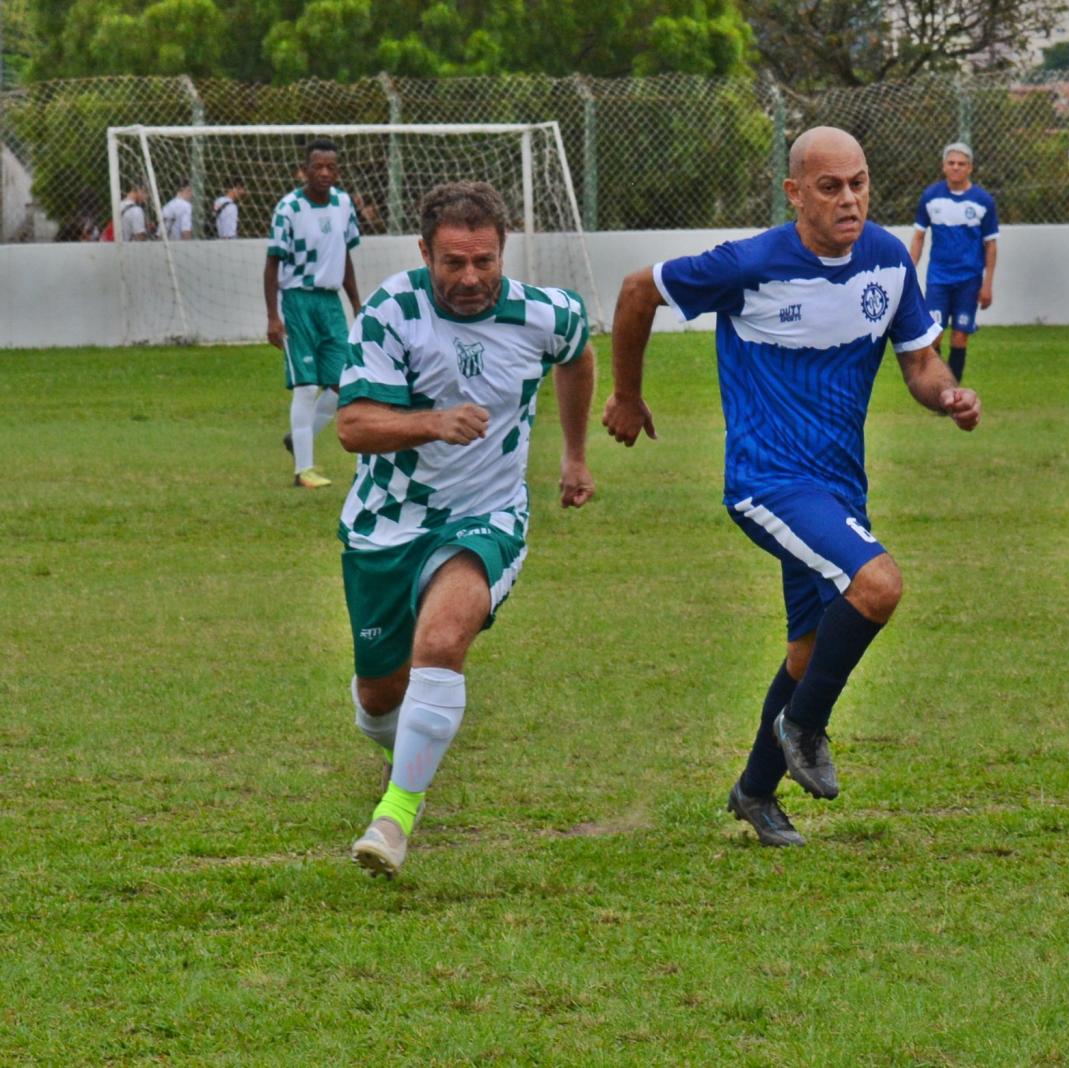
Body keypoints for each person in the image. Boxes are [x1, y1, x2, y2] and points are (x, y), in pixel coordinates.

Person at [603, 126, 981, 847]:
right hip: (768, 481)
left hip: (838, 488)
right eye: (831, 186)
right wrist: (625, 395)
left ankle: (754, 791)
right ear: (796, 192)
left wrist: (950, 397)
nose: (850, 199)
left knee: (808, 655)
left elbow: (922, 365)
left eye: (860, 182)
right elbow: (635, 291)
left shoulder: (889, 261)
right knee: (878, 586)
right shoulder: (750, 263)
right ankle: (803, 725)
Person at [337, 180, 596, 878]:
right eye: (454, 262)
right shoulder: (393, 311)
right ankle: (407, 750)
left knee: (445, 639)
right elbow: (353, 426)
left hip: (487, 516)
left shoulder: (546, 313)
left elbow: (576, 353)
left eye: (485, 260)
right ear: (425, 252)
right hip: (387, 527)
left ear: (502, 251)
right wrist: (433, 421)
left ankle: (393, 820)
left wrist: (574, 455)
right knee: (379, 697)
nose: (471, 277)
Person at [265, 139, 362, 489]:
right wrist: (273, 317)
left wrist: (356, 301)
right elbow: (272, 262)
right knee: (306, 388)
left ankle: (298, 437)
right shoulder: (288, 208)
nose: (324, 173)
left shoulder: (343, 203)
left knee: (344, 383)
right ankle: (302, 471)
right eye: (317, 166)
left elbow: (344, 255)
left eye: (330, 167)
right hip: (298, 301)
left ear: (337, 170)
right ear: (304, 169)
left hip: (330, 303)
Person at [907, 142, 998, 383]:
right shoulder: (931, 197)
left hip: (969, 281)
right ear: (944, 166)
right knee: (934, 335)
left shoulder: (983, 201)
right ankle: (939, 388)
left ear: (970, 168)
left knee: (960, 336)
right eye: (951, 163)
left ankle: (953, 390)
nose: (956, 167)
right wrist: (907, 271)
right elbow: (919, 236)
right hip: (939, 279)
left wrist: (987, 285)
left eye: (961, 163)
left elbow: (991, 245)